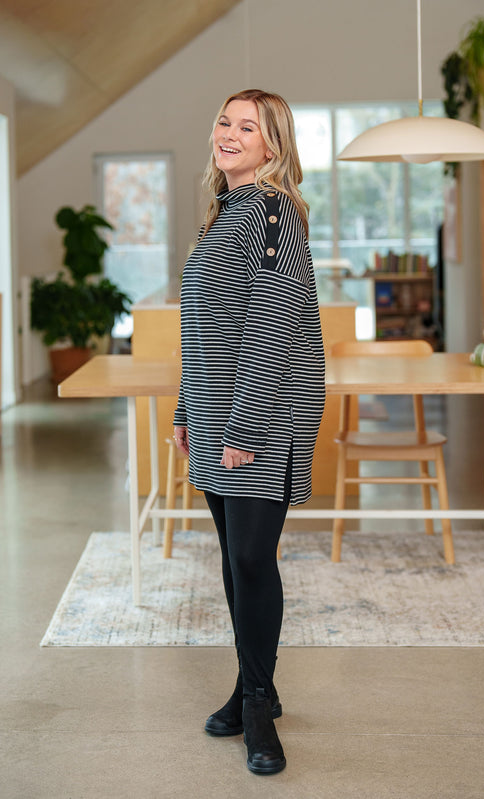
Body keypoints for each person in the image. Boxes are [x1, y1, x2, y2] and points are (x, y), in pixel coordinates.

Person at [173, 88, 325, 775]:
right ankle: (247, 686)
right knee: (236, 559)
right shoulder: (224, 215)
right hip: (215, 413)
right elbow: (205, 330)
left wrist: (242, 425)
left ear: (273, 146)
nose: (228, 133)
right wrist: (186, 409)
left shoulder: (273, 213)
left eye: (247, 127)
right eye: (223, 121)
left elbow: (270, 329)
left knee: (253, 559)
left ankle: (259, 708)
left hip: (256, 415)